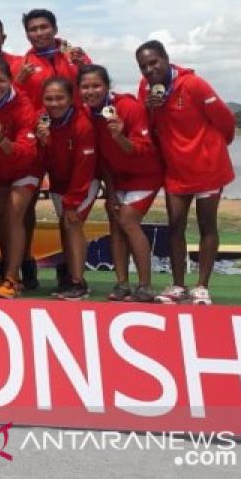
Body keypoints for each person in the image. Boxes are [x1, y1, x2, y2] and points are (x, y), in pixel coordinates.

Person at [136, 41, 236, 305]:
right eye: (144, 66)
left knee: (206, 224)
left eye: (154, 62)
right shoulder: (145, 89)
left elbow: (226, 120)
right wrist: (149, 108)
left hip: (207, 166)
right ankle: (178, 285)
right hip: (176, 169)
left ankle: (202, 286)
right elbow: (145, 128)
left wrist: (212, 147)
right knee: (175, 226)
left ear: (166, 59)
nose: (149, 70)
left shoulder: (193, 84)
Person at [15, 8, 91, 291]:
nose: (39, 33)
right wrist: (18, 80)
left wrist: (81, 65)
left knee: (68, 210)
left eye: (43, 27)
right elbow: (14, 100)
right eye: (33, 29)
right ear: (27, 34)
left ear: (55, 28)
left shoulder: (74, 56)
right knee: (25, 208)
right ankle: (26, 265)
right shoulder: (24, 63)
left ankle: (69, 270)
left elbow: (91, 88)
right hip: (39, 140)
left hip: (73, 138)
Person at [78, 64, 162, 303]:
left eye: (96, 86)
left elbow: (143, 151)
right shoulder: (87, 114)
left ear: (107, 86)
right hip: (117, 177)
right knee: (115, 221)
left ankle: (145, 286)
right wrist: (111, 192)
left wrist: (119, 137)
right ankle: (122, 283)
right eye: (85, 87)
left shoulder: (128, 107)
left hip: (144, 174)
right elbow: (103, 158)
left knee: (128, 220)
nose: (90, 91)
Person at [0, 57, 41, 299]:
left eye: (0, 81)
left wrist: (2, 141)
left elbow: (27, 153)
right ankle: (8, 275)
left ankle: (12, 279)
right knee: (2, 219)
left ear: (11, 80)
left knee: (15, 215)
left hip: (26, 168)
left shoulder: (23, 106)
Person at [35, 77, 98, 300]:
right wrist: (43, 143)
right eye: (49, 99)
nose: (55, 103)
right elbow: (42, 161)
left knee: (72, 224)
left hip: (84, 183)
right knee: (66, 227)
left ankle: (78, 282)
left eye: (60, 98)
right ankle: (71, 275)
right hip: (59, 184)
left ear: (71, 99)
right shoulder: (43, 121)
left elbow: (84, 167)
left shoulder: (82, 124)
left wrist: (72, 202)